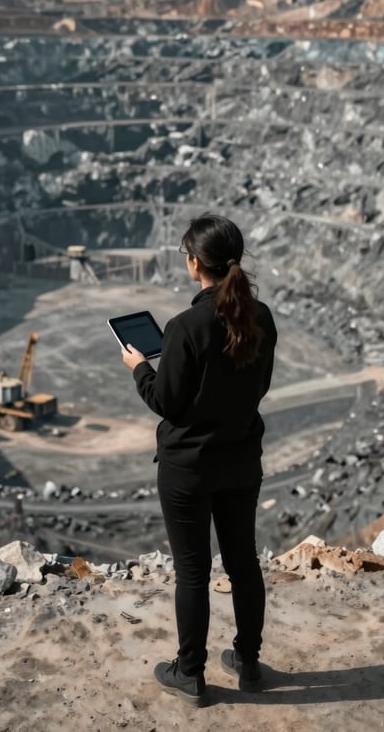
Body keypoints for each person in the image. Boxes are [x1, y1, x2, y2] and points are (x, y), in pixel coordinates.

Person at [122, 213, 277, 708]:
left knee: (192, 572)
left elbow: (167, 402)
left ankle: (190, 672)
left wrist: (141, 368)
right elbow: (259, 387)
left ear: (194, 263)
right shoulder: (262, 317)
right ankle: (248, 662)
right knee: (243, 562)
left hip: (188, 469)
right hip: (240, 462)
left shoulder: (185, 327)